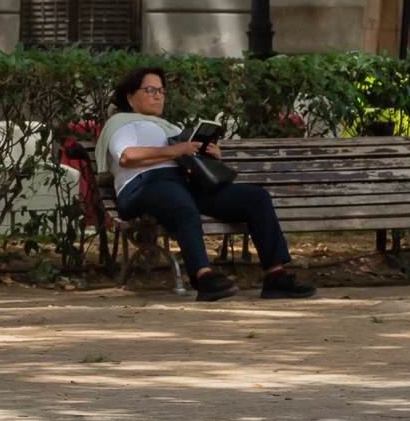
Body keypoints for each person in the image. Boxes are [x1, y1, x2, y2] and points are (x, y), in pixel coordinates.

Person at [97, 67, 316, 302]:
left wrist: (207, 154)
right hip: (143, 184)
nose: (158, 95)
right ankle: (204, 277)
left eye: (161, 90)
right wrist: (175, 150)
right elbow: (127, 157)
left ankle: (276, 277)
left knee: (256, 198)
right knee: (181, 203)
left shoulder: (171, 127)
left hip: (183, 182)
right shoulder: (122, 123)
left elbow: (183, 158)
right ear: (130, 97)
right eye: (150, 90)